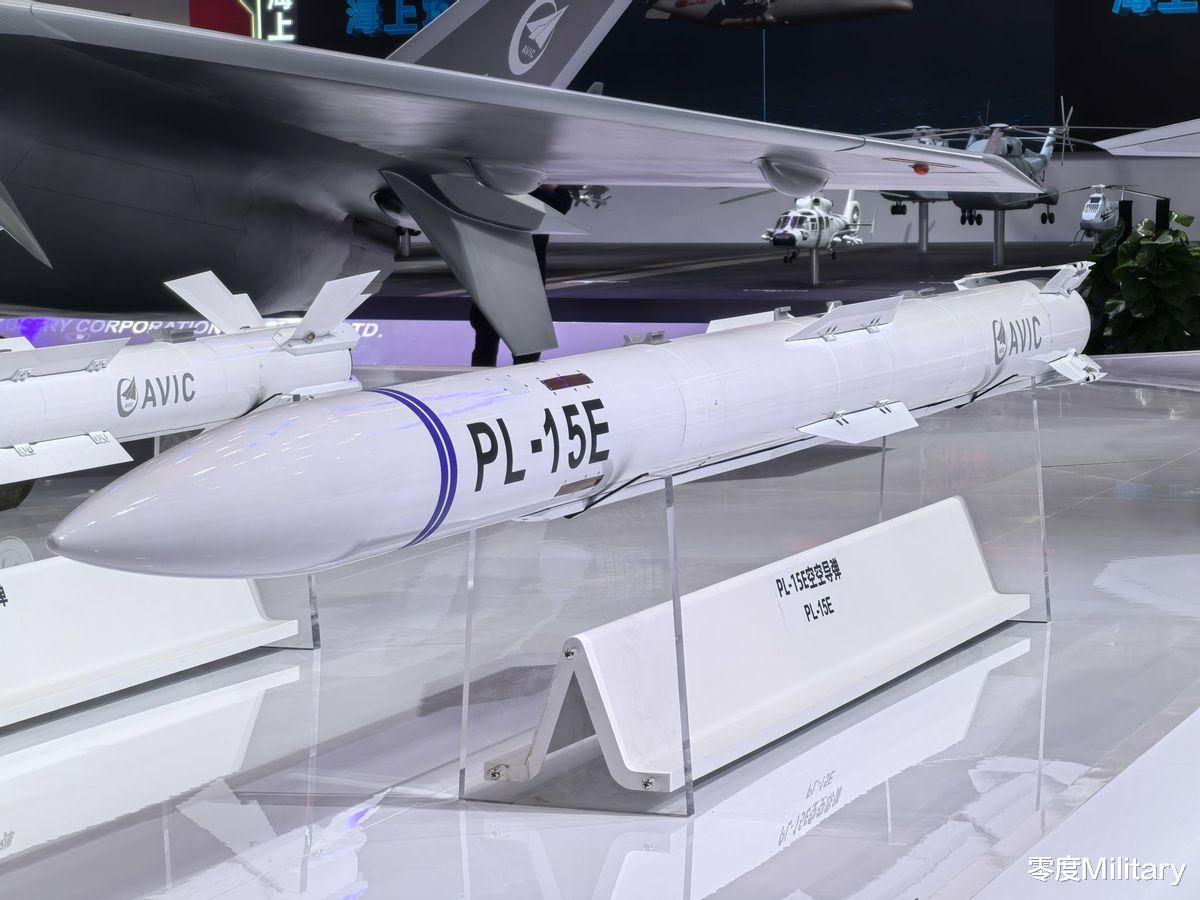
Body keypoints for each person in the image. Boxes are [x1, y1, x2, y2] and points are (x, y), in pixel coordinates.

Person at [469, 183, 574, 367]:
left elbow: (562, 203)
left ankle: (481, 380)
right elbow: (562, 203)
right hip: (521, 279)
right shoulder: (534, 197)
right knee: (522, 346)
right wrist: (543, 186)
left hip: (497, 277)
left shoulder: (493, 193)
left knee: (488, 342)